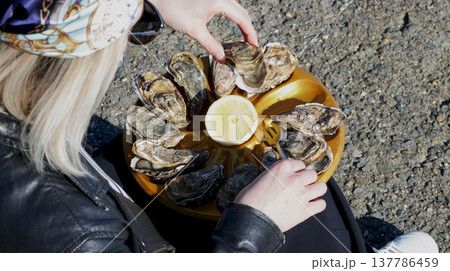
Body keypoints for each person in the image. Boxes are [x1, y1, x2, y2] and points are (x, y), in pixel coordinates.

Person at [0, 0, 438, 253]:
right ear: (63, 69)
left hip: (110, 210)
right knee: (307, 213)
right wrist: (251, 230)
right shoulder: (80, 239)